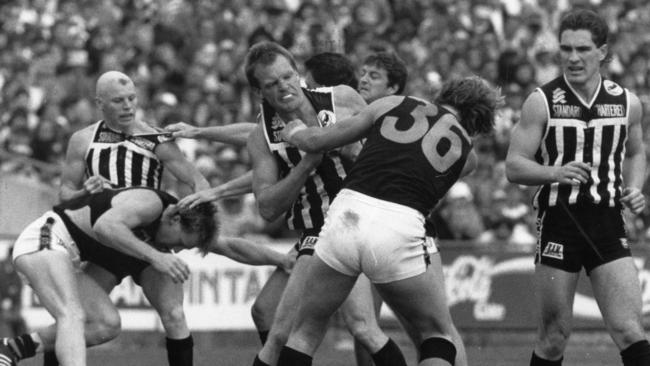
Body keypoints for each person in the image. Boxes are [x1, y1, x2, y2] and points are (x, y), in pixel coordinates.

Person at [276, 75, 498, 366]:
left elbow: (318, 140)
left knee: (304, 332)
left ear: (443, 94)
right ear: (478, 122)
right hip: (400, 224)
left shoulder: (392, 103)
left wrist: (294, 132)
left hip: (348, 213)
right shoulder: (468, 157)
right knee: (438, 335)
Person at [244, 42, 405, 366]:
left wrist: (349, 150)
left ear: (298, 72)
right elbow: (267, 207)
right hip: (318, 231)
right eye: (272, 84)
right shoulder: (262, 138)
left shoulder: (341, 98)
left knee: (351, 329)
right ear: (259, 91)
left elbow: (385, 152)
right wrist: (306, 164)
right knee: (301, 331)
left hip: (360, 222)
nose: (284, 87)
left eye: (288, 76)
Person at [504, 9, 649, 366]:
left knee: (629, 329)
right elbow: (514, 165)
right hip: (559, 221)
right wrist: (555, 172)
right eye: (565, 48)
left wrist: (634, 187)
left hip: (607, 222)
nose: (572, 57)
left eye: (582, 49)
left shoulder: (626, 102)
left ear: (602, 51)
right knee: (554, 336)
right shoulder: (542, 100)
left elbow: (636, 151)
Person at [0, 187, 216, 366]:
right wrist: (155, 256)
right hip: (47, 238)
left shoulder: (170, 218)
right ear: (175, 219)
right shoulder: (151, 204)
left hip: (66, 255)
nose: (176, 251)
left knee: (106, 325)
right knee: (72, 315)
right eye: (179, 242)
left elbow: (231, 246)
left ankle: (12, 348)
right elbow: (105, 226)